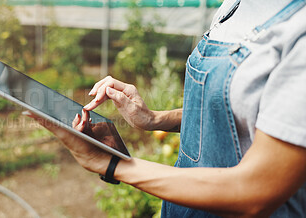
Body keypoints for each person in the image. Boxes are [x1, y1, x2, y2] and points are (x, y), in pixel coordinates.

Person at [25, 0, 306, 217]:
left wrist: (113, 165)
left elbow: (256, 192)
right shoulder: (233, 7)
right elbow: (245, 115)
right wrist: (153, 119)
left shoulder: (299, 29)